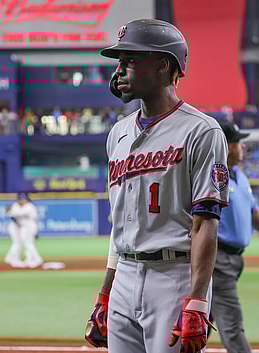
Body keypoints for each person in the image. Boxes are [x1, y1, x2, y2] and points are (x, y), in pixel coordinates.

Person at [84, 19, 230, 353]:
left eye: (130, 60)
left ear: (163, 65)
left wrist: (197, 299)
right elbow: (119, 227)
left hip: (174, 276)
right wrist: (106, 293)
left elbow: (206, 223)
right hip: (125, 275)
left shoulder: (202, 131)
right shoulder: (117, 134)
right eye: (120, 61)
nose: (119, 70)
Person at [208, 121, 259, 353]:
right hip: (219, 259)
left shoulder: (239, 175)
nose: (242, 147)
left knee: (199, 319)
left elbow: (253, 210)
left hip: (234, 259)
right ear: (226, 146)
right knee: (232, 325)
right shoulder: (212, 174)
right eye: (237, 142)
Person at [4, 193, 43, 269]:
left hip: (29, 227)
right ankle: (26, 259)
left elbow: (34, 220)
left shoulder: (30, 207)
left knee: (28, 243)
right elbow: (10, 214)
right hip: (21, 227)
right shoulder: (16, 205)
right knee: (22, 243)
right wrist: (9, 210)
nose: (22, 201)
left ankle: (34, 259)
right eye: (21, 199)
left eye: (24, 199)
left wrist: (35, 232)